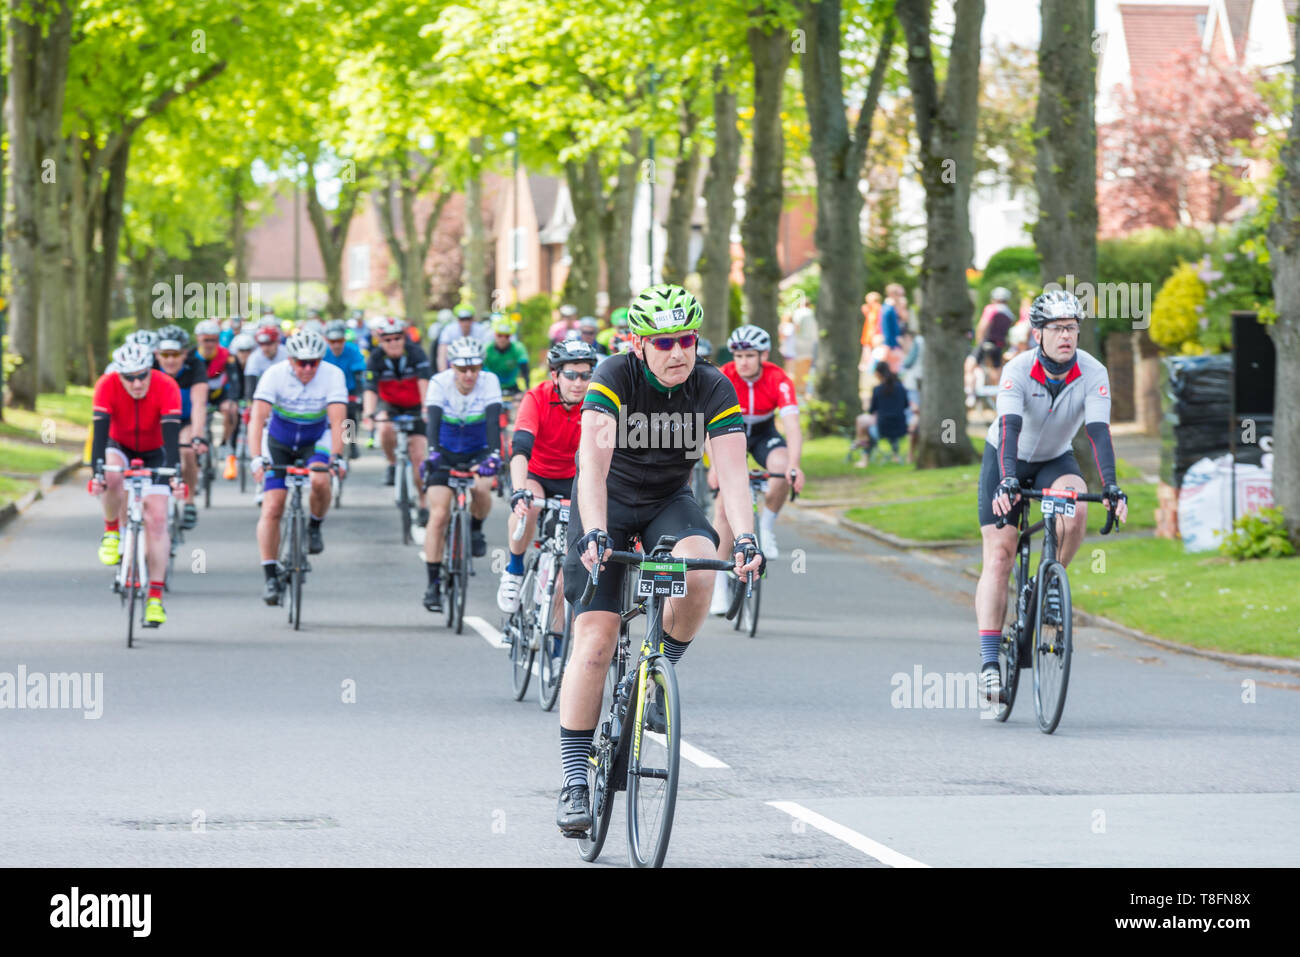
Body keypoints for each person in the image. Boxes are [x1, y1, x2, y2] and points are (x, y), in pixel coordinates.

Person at [554, 283, 764, 836]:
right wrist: (596, 532)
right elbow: (592, 470)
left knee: (700, 566)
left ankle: (657, 669)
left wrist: (746, 539)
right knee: (596, 641)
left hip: (668, 503)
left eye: (687, 340)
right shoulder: (612, 378)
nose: (678, 352)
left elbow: (734, 479)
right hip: (608, 504)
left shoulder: (714, 387)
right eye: (664, 341)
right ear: (639, 343)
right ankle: (576, 781)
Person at [975, 290, 1128, 704]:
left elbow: (1098, 433)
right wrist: (1007, 480)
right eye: (1058, 328)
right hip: (1006, 457)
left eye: (1073, 328)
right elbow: (1008, 426)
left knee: (1075, 507)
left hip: (1054, 459)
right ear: (1038, 333)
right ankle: (991, 662)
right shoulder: (1017, 370)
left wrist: (1111, 485)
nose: (1066, 336)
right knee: (1002, 554)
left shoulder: (1093, 372)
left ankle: (1048, 585)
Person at [496, 338, 597, 613]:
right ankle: (514, 570)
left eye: (586, 375)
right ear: (555, 375)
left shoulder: (595, 402)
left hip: (575, 480)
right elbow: (520, 449)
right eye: (571, 375)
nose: (579, 382)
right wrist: (519, 490)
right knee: (527, 508)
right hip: (537, 475)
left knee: (568, 569)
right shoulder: (536, 397)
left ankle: (557, 650)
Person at [248, 328, 348, 604]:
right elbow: (257, 419)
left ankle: (315, 526)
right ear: (290, 360)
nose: (307, 368)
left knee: (319, 480)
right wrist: (256, 457)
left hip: (316, 439)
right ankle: (270, 576)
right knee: (272, 506)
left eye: (313, 363)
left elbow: (340, 422)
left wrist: (338, 457)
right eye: (301, 363)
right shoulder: (274, 374)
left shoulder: (332, 375)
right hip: (279, 441)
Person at [88, 342, 183, 627]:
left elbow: (171, 437)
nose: (137, 383)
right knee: (111, 473)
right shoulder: (106, 385)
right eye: (129, 377)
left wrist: (174, 475)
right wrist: (97, 474)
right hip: (120, 445)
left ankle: (155, 598)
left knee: (156, 519)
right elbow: (100, 434)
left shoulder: (166, 386)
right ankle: (111, 532)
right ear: (119, 375)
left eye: (143, 375)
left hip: (157, 450)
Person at [708, 322, 804, 570]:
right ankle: (718, 580)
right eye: (738, 356)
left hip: (763, 432)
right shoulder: (723, 376)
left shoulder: (778, 378)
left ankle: (767, 527)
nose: (743, 362)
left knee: (781, 468)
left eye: (749, 356)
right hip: (730, 432)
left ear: (763, 355)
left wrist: (794, 465)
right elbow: (709, 428)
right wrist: (715, 467)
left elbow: (792, 425)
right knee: (722, 506)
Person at [419, 337, 502, 612]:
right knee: (439, 514)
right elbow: (432, 421)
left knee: (482, 487)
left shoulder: (489, 381)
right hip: (445, 450)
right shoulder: (439, 382)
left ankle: (476, 529)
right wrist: (432, 452)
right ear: (452, 366)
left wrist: (492, 454)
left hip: (477, 448)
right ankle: (433, 584)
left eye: (475, 368)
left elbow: (493, 422)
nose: (469, 375)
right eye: (462, 369)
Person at [362, 317, 431, 492]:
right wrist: (368, 413)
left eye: (397, 338)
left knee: (418, 458)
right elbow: (370, 388)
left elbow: (424, 381)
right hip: (389, 403)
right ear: (381, 341)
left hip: (415, 404)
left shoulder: (416, 353)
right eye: (387, 339)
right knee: (384, 428)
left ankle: (422, 505)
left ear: (404, 337)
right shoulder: (375, 358)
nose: (393, 343)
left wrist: (425, 407)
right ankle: (392, 463)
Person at [153, 326, 208, 530]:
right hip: (157, 420)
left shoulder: (195, 366)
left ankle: (190, 501)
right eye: (165, 354)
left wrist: (197, 436)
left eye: (175, 354)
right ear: (156, 354)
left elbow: (199, 403)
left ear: (184, 354)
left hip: (184, 419)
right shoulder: (149, 367)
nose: (170, 360)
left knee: (187, 452)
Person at [193, 319, 243, 481]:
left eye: (213, 340)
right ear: (198, 339)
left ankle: (224, 443)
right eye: (206, 340)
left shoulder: (227, 356)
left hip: (221, 394)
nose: (209, 344)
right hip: (199, 395)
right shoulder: (191, 357)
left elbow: (236, 381)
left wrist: (234, 399)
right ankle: (196, 461)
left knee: (231, 409)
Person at [322, 319, 368, 459]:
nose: (336, 345)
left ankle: (352, 443)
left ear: (344, 339)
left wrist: (360, 396)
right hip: (328, 389)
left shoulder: (352, 350)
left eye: (340, 341)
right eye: (332, 341)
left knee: (351, 414)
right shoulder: (323, 352)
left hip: (349, 388)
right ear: (327, 340)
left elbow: (359, 374)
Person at [852, 361, 909, 466]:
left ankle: (863, 453)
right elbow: (906, 405)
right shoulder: (901, 388)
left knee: (865, 427)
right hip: (901, 427)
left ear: (877, 374)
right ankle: (895, 455)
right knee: (866, 423)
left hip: (882, 428)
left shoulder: (878, 390)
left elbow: (872, 410)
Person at [481, 313, 531, 399]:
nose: (503, 339)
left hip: (511, 386)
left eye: (507, 336)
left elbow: (525, 369)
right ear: (495, 334)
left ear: (511, 336)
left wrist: (527, 388)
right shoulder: (486, 349)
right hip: (490, 387)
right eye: (499, 335)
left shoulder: (518, 348)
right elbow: (479, 370)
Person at [436, 307, 491, 372]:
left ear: (473, 319)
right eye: (462, 319)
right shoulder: (449, 330)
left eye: (468, 319)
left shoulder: (481, 329)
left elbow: (488, 351)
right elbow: (442, 354)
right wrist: (443, 373)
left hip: (476, 362)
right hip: (455, 363)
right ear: (457, 320)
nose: (465, 323)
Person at [898, 328, 924, 462]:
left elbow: (908, 363)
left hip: (914, 384)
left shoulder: (919, 341)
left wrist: (904, 349)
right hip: (922, 385)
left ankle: (910, 454)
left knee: (914, 418)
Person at [242, 326, 288, 402]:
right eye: (262, 344)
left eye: (269, 344)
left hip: (284, 392)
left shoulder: (286, 354)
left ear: (277, 342)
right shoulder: (254, 357)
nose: (265, 348)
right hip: (263, 393)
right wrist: (250, 403)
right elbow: (250, 384)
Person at [788, 306, 819, 397]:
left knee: (800, 365)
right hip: (812, 342)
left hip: (801, 342)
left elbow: (796, 327)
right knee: (810, 366)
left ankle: (800, 389)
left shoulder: (798, 313)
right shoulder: (811, 313)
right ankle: (807, 389)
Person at [880, 284, 907, 373]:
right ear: (892, 294)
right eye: (899, 295)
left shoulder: (891, 308)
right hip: (891, 345)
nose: (900, 297)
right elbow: (886, 328)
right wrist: (889, 344)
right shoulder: (888, 309)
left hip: (893, 344)